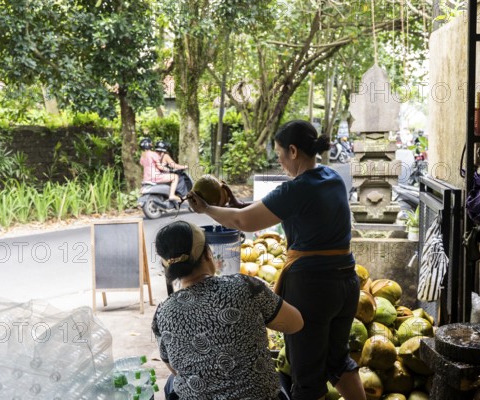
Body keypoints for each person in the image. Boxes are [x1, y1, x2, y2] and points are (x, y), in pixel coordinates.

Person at [187, 120, 366, 400]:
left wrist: (207, 208)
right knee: (337, 361)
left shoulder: (296, 190)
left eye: (280, 153)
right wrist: (234, 204)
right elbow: (255, 212)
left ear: (293, 151)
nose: (280, 160)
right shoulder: (332, 178)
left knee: (306, 376)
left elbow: (242, 222)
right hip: (347, 282)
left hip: (313, 288)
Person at [152, 221, 304, 400]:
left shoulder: (162, 314)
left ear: (167, 268)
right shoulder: (245, 286)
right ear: (208, 254)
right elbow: (296, 324)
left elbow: (176, 369)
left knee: (172, 384)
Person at [139, 138, 185, 202]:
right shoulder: (153, 154)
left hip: (146, 178)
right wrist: (168, 169)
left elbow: (143, 165)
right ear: (149, 145)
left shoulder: (142, 156)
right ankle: (172, 195)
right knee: (175, 177)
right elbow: (160, 167)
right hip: (155, 176)